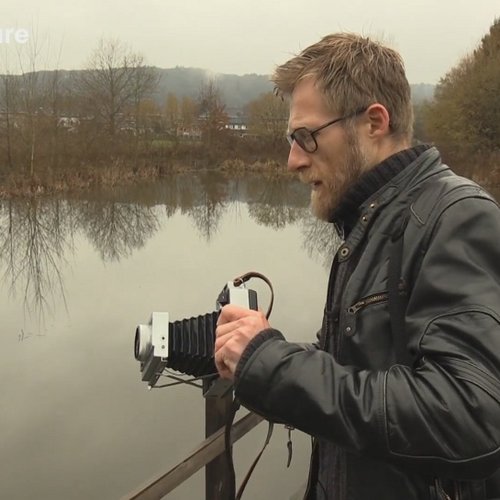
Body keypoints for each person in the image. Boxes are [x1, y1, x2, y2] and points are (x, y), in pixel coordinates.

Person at [214, 33, 500, 499]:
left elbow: (469, 416)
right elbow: (365, 368)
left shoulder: (457, 217)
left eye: (305, 136)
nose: (292, 160)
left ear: (374, 122)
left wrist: (272, 365)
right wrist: (252, 355)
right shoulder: (369, 224)